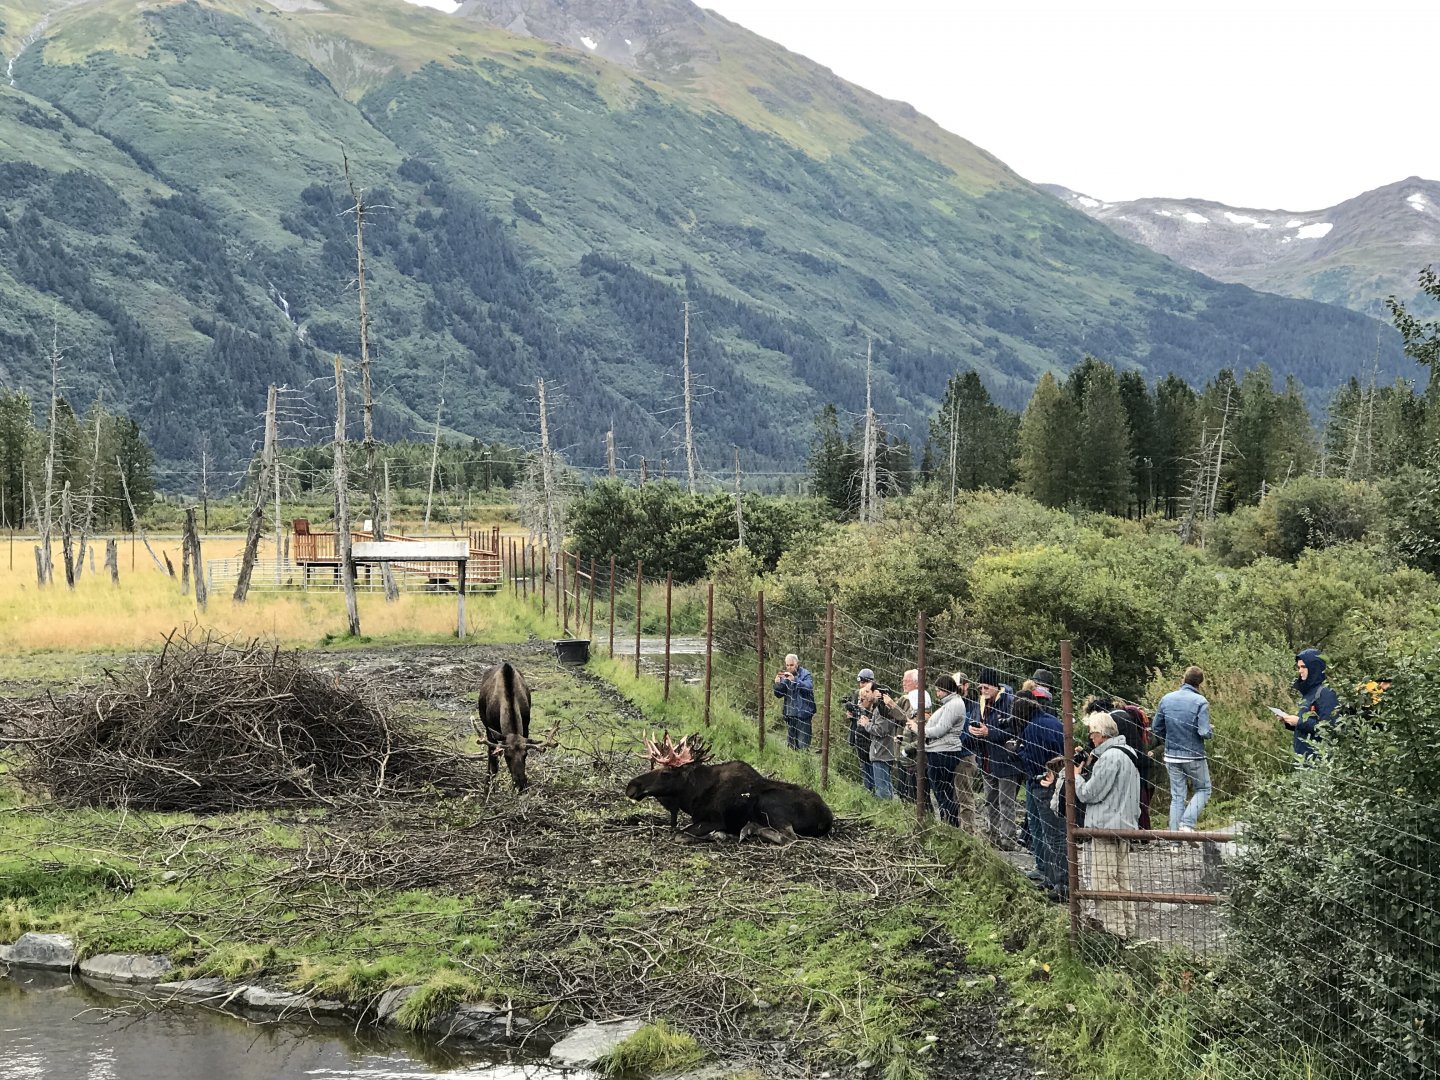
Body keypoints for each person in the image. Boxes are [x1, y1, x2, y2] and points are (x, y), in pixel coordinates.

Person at [1073, 712, 1141, 937]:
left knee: (1104, 882)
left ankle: (1114, 932)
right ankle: (1128, 930)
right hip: (1124, 824)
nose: (1090, 737)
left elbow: (1089, 793)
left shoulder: (1110, 758)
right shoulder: (1128, 754)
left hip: (1105, 826)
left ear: (1101, 734)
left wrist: (1076, 777)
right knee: (1122, 881)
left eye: (1092, 732)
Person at [965, 668, 1022, 850]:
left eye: (986, 687)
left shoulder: (1009, 703)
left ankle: (1009, 839)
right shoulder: (980, 703)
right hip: (986, 760)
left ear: (995, 686)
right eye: (980, 688)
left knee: (1006, 802)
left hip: (1006, 760)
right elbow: (973, 722)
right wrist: (972, 731)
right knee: (990, 800)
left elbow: (1015, 730)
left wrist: (989, 732)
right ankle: (994, 835)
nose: (983, 691)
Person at [1150, 665, 1212, 831]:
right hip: (1194, 755)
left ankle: (1174, 842)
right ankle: (1187, 823)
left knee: (1177, 796)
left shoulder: (1166, 699)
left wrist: (1168, 739)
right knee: (1204, 789)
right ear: (1199, 684)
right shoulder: (1201, 702)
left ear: (1183, 679)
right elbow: (1204, 732)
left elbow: (1156, 728)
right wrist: (1210, 730)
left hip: (1171, 755)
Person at [1017, 687, 1065, 891]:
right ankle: (1052, 876)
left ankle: (1061, 883)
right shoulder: (1053, 721)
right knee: (1047, 832)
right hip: (1055, 778)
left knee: (1052, 834)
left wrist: (1018, 751)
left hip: (1043, 783)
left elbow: (1034, 762)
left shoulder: (1031, 729)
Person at [908, 674, 969, 827]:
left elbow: (940, 730)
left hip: (944, 752)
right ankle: (947, 823)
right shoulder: (949, 704)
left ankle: (950, 825)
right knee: (942, 793)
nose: (937, 694)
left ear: (946, 689)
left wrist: (919, 730)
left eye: (939, 690)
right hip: (939, 751)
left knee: (943, 793)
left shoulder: (954, 705)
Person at [1278, 648, 1339, 762]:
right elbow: (1308, 726)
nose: (1300, 671)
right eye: (1299, 667)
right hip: (1304, 761)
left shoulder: (1325, 693)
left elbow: (1329, 729)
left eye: (1304, 667)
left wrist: (1299, 722)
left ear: (1314, 668)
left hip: (1319, 764)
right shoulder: (1309, 693)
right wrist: (1289, 722)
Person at [856, 678, 905, 799]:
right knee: (885, 785)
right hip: (881, 750)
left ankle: (885, 811)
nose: (865, 694)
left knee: (882, 790)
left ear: (876, 692)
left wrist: (866, 724)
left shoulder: (882, 709)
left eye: (867, 691)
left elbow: (881, 730)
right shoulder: (878, 708)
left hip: (881, 751)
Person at [894, 669, 933, 804]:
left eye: (906, 680)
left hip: (917, 762)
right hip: (911, 764)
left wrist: (907, 749)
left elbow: (922, 738)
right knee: (912, 795)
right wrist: (902, 740)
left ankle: (923, 819)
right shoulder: (915, 718)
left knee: (921, 797)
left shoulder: (923, 720)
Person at [772, 653, 816, 751]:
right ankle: (793, 764)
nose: (789, 667)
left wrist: (794, 680)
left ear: (797, 664)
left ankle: (804, 764)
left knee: (803, 745)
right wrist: (777, 684)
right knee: (792, 746)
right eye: (787, 665)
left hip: (803, 715)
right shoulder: (785, 676)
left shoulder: (805, 674)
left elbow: (808, 687)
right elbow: (779, 694)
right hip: (790, 715)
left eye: (791, 665)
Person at [845, 667, 877, 791]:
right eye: (860, 682)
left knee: (870, 764)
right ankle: (867, 788)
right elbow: (855, 712)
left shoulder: (874, 697)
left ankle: (873, 789)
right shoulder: (856, 694)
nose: (861, 684)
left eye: (864, 682)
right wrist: (851, 715)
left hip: (869, 736)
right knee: (863, 765)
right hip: (858, 733)